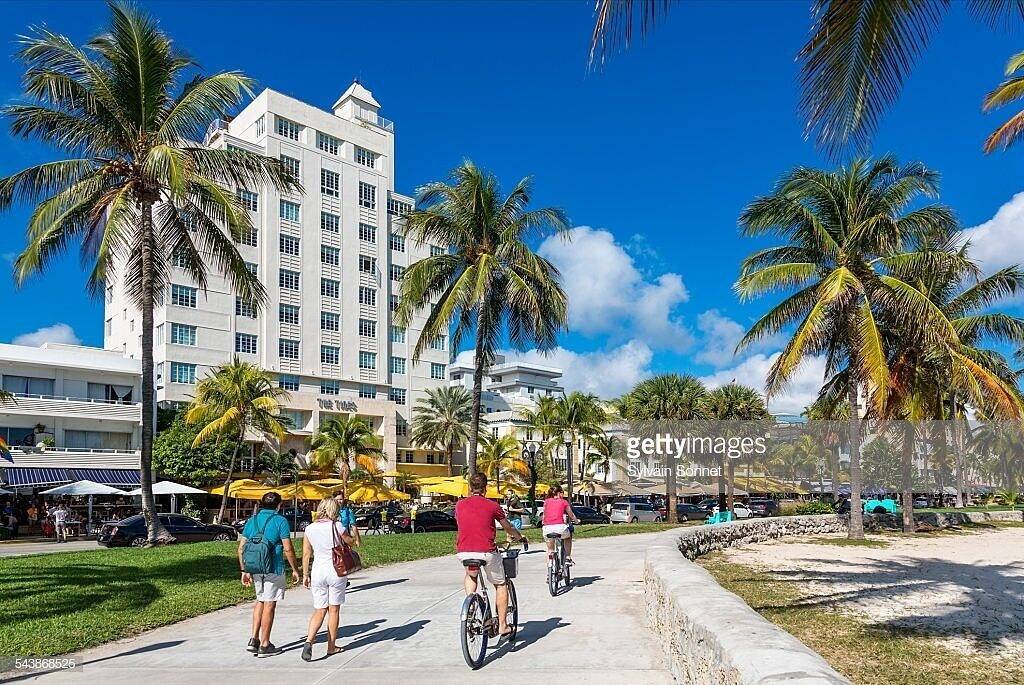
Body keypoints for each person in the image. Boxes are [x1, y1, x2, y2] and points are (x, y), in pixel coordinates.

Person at [454, 473, 526, 637]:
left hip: (464, 552)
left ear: (470, 488)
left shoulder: (459, 505)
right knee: (500, 585)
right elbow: (507, 527)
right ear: (485, 488)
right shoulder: (492, 506)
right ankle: (502, 626)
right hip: (486, 551)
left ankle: (471, 602)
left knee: (471, 575)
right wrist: (519, 537)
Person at [237, 491, 300, 657]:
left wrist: (244, 570)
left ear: (261, 503)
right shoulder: (280, 521)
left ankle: (253, 639)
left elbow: (241, 548)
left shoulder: (252, 521)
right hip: (274, 567)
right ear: (279, 505)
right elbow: (288, 548)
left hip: (255, 567)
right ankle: (265, 644)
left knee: (260, 600)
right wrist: (295, 569)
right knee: (270, 603)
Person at [300, 497, 354, 661]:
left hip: (318, 571)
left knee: (319, 609)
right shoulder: (337, 526)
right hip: (336, 571)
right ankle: (331, 646)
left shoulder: (309, 529)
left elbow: (306, 553)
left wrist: (305, 574)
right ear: (333, 510)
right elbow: (351, 542)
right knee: (334, 610)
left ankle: (309, 641)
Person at [542, 485, 580, 566]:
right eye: (562, 492)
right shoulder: (563, 502)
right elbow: (571, 515)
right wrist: (577, 521)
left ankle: (550, 569)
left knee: (550, 550)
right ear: (559, 493)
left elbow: (544, 515)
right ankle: (568, 557)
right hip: (560, 528)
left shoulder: (546, 501)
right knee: (568, 537)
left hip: (547, 528)